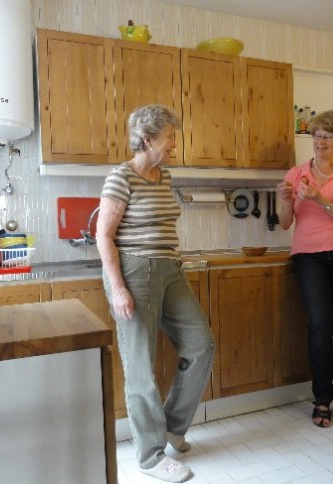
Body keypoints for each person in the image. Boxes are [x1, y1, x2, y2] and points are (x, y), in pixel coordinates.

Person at [96, 104, 215, 482]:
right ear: (147, 140)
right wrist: (118, 288)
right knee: (140, 365)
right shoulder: (121, 177)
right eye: (169, 138)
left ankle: (172, 428)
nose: (174, 144)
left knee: (201, 345)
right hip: (135, 271)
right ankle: (149, 456)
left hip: (169, 270)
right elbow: (103, 236)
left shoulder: (163, 176)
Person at [276, 109, 333, 431]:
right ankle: (321, 398)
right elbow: (285, 222)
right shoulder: (296, 174)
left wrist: (318, 199)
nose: (321, 141)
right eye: (316, 135)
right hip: (309, 256)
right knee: (319, 325)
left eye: (327, 136)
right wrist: (283, 200)